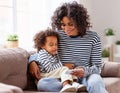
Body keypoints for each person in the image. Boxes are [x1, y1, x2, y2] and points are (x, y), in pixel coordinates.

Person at [28, 1, 108, 93]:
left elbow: (97, 67)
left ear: (79, 22)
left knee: (96, 81)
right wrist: (32, 62)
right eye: (63, 24)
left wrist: (84, 70)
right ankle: (72, 88)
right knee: (42, 83)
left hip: (86, 77)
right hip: (63, 78)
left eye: (71, 24)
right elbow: (41, 50)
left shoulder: (93, 37)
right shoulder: (57, 36)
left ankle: (76, 88)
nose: (66, 29)